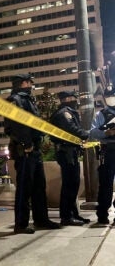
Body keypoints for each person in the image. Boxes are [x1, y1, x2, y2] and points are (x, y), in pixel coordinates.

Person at [4, 73, 61, 234]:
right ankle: (21, 224)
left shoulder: (28, 99)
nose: (31, 85)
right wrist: (26, 144)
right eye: (28, 82)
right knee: (24, 188)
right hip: (25, 150)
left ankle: (41, 219)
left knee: (39, 186)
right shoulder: (15, 100)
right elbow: (18, 124)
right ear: (20, 83)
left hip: (34, 150)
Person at [50, 91, 90, 226]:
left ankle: (73, 214)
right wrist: (86, 134)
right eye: (74, 98)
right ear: (67, 99)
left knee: (73, 184)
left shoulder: (67, 111)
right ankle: (66, 216)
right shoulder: (63, 113)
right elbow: (71, 128)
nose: (76, 100)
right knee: (69, 185)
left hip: (71, 152)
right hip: (66, 152)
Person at [90, 85, 115, 224]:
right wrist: (106, 132)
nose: (111, 99)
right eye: (109, 96)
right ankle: (102, 214)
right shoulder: (102, 114)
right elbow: (92, 132)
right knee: (106, 184)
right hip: (108, 151)